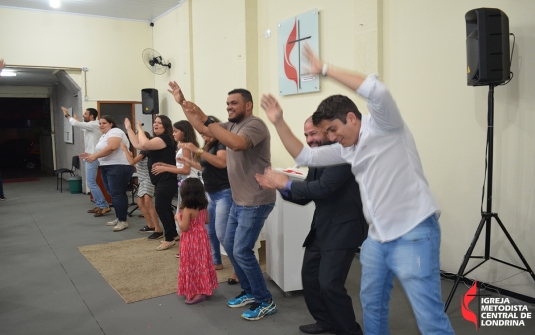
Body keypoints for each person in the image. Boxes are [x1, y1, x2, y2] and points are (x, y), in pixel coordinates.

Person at [260, 46, 455, 334]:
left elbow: (375, 90)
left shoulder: (386, 126)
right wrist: (278, 122)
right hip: (377, 237)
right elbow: (306, 157)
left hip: (413, 232)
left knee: (429, 318)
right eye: (326, 134)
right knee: (372, 306)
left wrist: (324, 68)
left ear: (352, 118)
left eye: (333, 130)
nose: (331, 138)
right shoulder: (347, 150)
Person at [168, 82, 277, 321]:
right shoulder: (233, 125)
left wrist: (207, 120)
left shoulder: (254, 125)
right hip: (240, 198)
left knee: (241, 249)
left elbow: (236, 144)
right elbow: (199, 126)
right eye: (227, 104)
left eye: (234, 103)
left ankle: (265, 300)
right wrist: (182, 103)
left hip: (256, 199)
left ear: (248, 105)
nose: (229, 107)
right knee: (229, 242)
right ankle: (249, 291)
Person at [256, 116, 367, 335]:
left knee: (330, 284)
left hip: (344, 229)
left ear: (327, 131)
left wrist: (284, 182)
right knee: (310, 278)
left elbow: (322, 189)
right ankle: (325, 321)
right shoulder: (319, 159)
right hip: (322, 228)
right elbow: (306, 196)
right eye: (306, 135)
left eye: (313, 133)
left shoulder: (341, 154)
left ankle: (349, 331)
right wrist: (278, 186)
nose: (309, 139)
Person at [176, 116, 232, 271]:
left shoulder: (222, 143)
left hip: (224, 192)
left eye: (205, 132)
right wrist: (190, 163)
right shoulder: (209, 145)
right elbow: (206, 169)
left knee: (222, 233)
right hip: (211, 193)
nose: (202, 135)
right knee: (210, 230)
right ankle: (216, 261)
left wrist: (196, 150)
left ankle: (237, 268)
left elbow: (221, 163)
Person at [125, 117, 178, 249]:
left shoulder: (165, 139)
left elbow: (144, 144)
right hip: (160, 180)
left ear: (166, 126)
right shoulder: (156, 142)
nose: (156, 124)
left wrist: (140, 129)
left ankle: (169, 238)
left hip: (167, 180)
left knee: (161, 208)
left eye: (159, 123)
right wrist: (129, 129)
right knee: (165, 208)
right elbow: (138, 144)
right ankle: (174, 234)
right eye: (154, 122)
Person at [81, 115, 133, 232]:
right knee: (115, 193)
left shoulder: (115, 131)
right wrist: (90, 155)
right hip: (107, 166)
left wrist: (94, 156)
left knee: (116, 194)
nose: (101, 125)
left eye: (104, 123)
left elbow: (113, 147)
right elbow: (102, 151)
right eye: (100, 123)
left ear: (111, 124)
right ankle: (120, 217)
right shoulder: (104, 135)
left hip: (118, 166)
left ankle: (122, 221)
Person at [175, 178, 218, 304]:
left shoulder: (188, 209)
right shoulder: (203, 206)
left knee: (191, 264)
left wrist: (178, 217)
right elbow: (207, 221)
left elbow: (184, 227)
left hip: (190, 240)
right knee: (202, 263)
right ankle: (204, 287)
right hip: (202, 237)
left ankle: (197, 292)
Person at [62, 106, 111, 217]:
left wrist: (66, 114)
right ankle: (100, 204)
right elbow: (82, 127)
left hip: (93, 157)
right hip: (91, 156)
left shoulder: (94, 124)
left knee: (91, 182)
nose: (84, 115)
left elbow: (75, 124)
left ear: (91, 116)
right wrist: (78, 120)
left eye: (85, 113)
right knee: (92, 182)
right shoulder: (92, 126)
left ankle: (104, 206)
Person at [120, 131, 162, 239]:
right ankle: (150, 225)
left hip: (148, 178)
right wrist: (129, 155)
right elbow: (134, 164)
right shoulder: (141, 151)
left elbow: (132, 162)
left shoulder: (146, 150)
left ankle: (157, 228)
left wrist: (125, 149)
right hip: (142, 178)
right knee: (140, 202)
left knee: (148, 202)